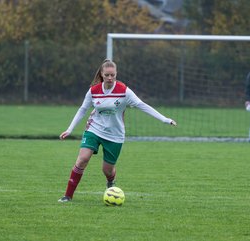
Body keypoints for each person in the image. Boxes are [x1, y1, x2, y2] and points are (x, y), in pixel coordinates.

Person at [58, 59, 177, 203]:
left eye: (112, 75)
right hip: (94, 129)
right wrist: (70, 129)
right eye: (107, 75)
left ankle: (111, 182)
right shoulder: (94, 91)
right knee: (82, 159)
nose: (109, 78)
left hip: (115, 135)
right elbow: (83, 109)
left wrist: (164, 119)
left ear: (116, 74)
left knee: (107, 170)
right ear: (101, 74)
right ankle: (68, 196)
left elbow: (142, 105)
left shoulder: (124, 91)